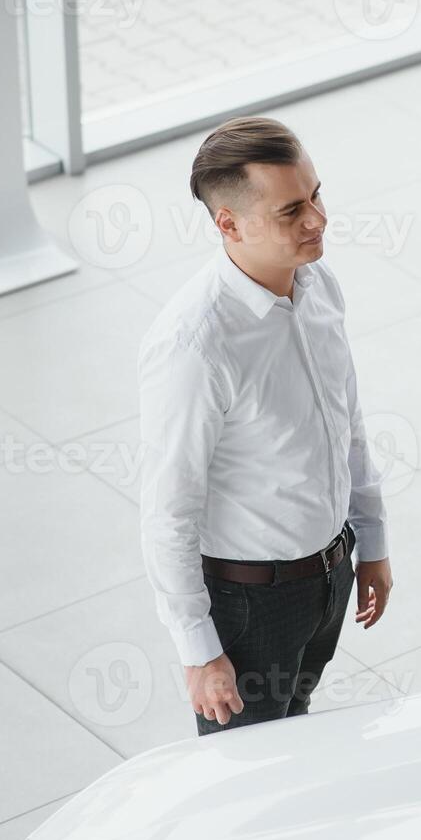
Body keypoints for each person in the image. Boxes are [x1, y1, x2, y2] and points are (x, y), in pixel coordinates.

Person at [137, 116, 394, 735]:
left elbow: (346, 421)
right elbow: (169, 510)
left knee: (296, 741)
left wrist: (371, 541)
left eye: (316, 196)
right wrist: (199, 650)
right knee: (244, 783)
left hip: (329, 575)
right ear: (228, 223)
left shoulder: (319, 284)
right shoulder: (194, 346)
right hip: (248, 605)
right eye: (290, 212)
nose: (317, 220)